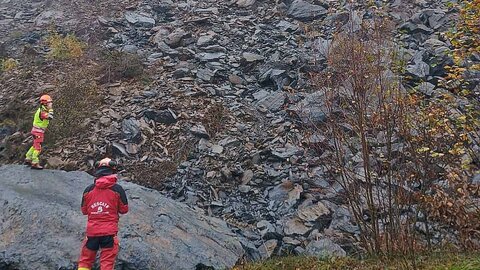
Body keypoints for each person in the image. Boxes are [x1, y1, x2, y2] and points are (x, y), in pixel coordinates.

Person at [77, 158, 129, 270]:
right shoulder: (117, 189)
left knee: (85, 261)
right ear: (112, 170)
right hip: (109, 234)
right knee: (107, 263)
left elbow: (84, 210)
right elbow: (124, 209)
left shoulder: (88, 190)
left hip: (92, 233)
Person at [25, 94, 54, 169]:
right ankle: (35, 162)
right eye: (49, 102)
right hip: (38, 132)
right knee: (38, 148)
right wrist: (51, 109)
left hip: (35, 131)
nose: (51, 104)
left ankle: (28, 157)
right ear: (45, 103)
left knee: (35, 145)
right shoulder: (42, 112)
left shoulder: (42, 109)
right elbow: (50, 117)